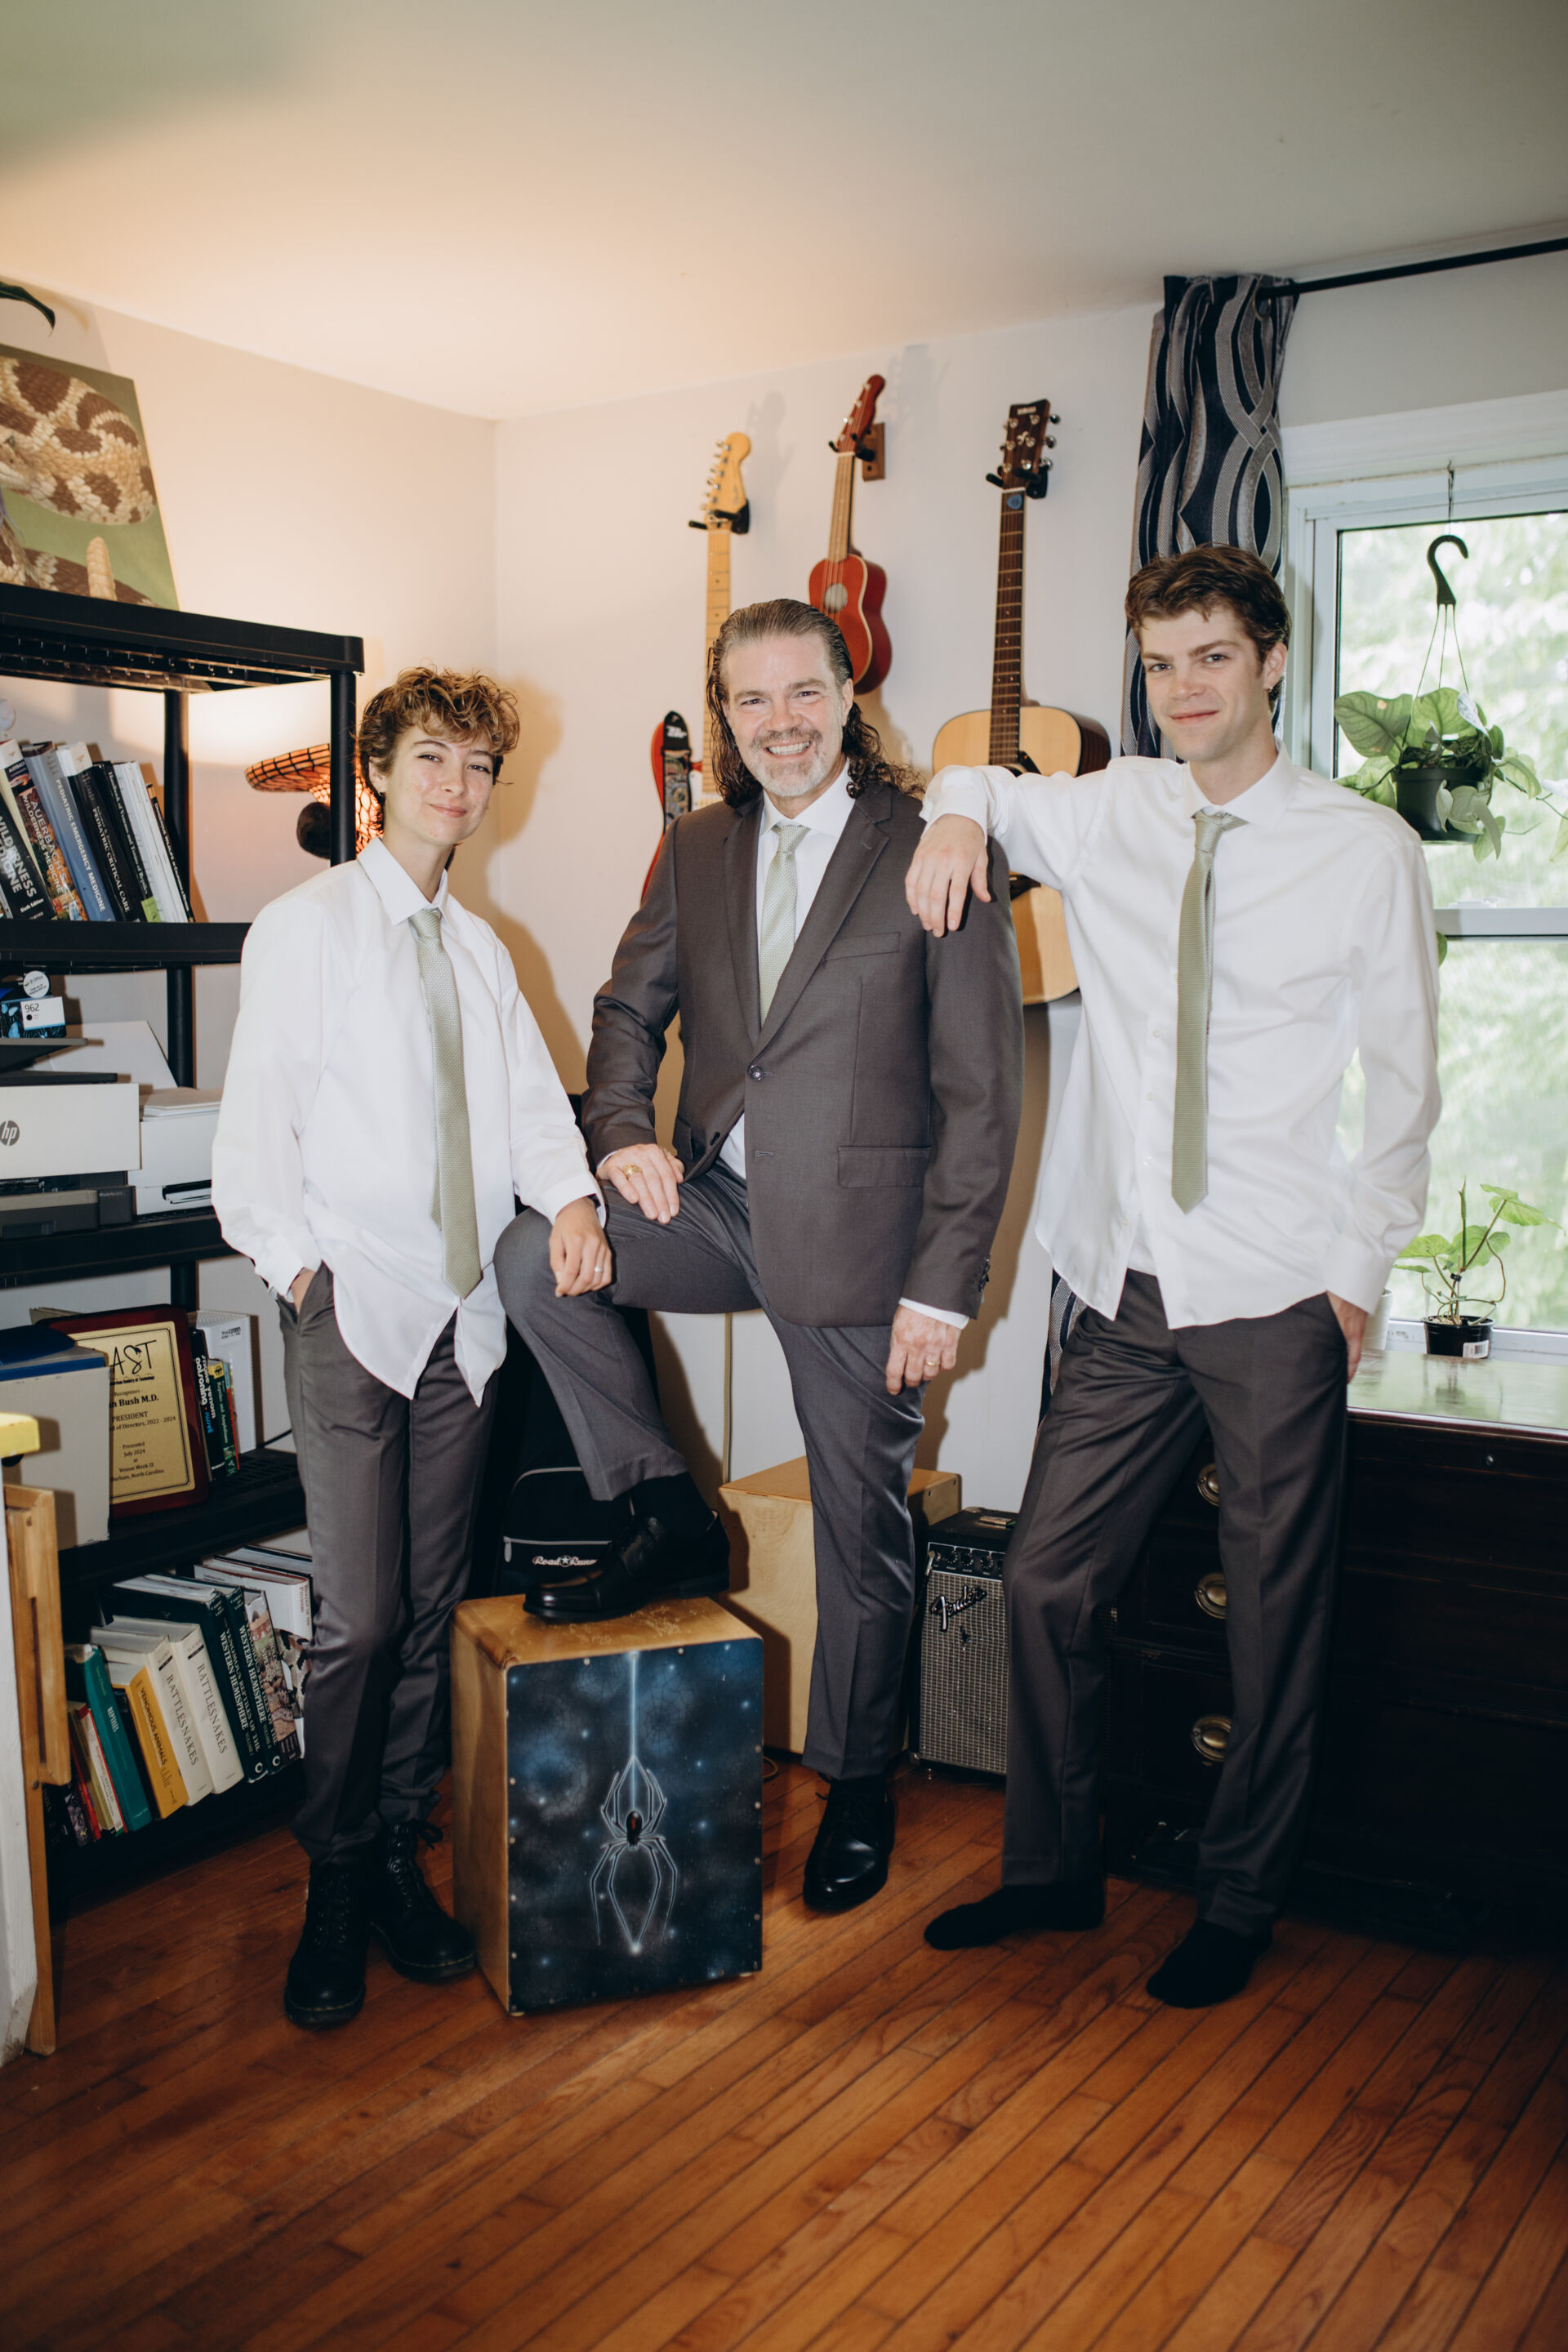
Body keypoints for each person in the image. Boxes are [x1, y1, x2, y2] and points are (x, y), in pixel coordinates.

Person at [906, 546, 1441, 2007]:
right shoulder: (1117, 808)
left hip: (1276, 1285)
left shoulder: (1365, 849)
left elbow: (1404, 1087)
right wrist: (955, 818)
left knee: (1273, 1617)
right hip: (1127, 1280)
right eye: (1160, 664)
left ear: (1273, 660)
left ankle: (1240, 1897)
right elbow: (979, 781)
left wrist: (1354, 1273)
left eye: (1212, 656)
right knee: (1043, 1579)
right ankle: (1051, 1869)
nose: (1184, 688)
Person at [497, 599, 1023, 1913]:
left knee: (860, 1538)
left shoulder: (935, 845)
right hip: (715, 1205)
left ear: (848, 696)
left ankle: (857, 1785)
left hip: (864, 1251)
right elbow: (626, 1012)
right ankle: (666, 1510)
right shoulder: (695, 848)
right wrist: (620, 1133)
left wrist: (943, 1287)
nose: (779, 722)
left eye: (803, 692)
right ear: (723, 715)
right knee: (533, 1252)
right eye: (750, 699)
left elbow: (983, 1096)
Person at [212, 668, 608, 2029]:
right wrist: (299, 1271)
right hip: (354, 1309)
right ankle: (332, 1877)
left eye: (479, 765)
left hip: (465, 1321)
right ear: (377, 772)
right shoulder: (308, 929)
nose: (457, 784)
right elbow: (256, 1130)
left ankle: (393, 1853)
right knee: (361, 1619)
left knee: (433, 1610)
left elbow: (533, 1111)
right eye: (431, 756)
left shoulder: (484, 951)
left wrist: (570, 1202)